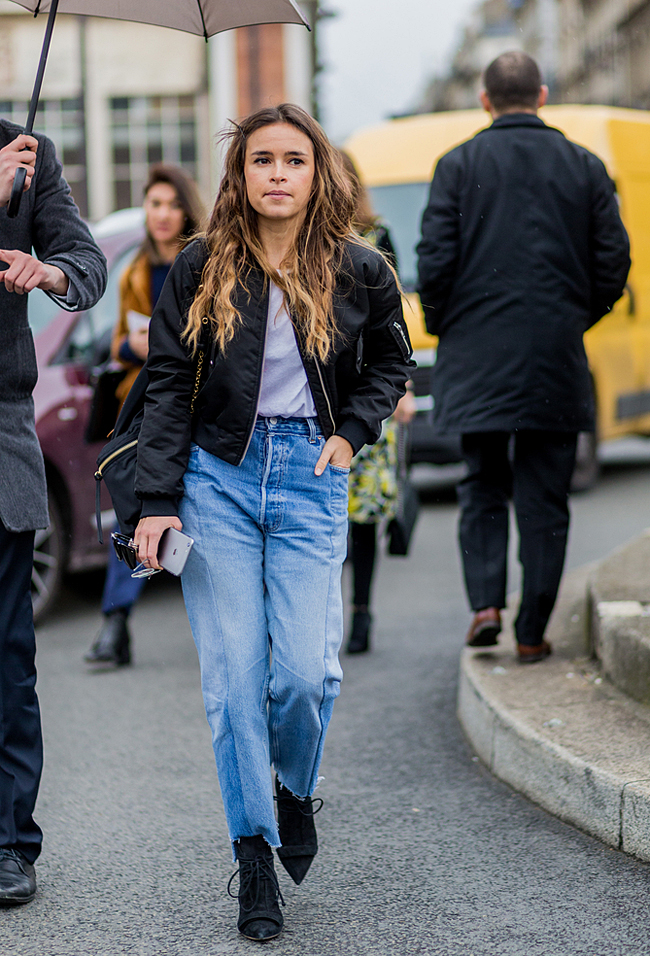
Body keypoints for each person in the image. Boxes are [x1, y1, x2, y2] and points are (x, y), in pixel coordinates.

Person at [131, 104, 413, 940]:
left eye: (294, 159)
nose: (278, 174)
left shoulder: (361, 268)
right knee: (232, 680)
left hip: (310, 477)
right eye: (263, 160)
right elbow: (166, 381)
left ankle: (291, 786)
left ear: (318, 173)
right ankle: (254, 854)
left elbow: (391, 362)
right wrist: (156, 501)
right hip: (216, 476)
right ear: (240, 173)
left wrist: (349, 433)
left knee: (305, 675)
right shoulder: (202, 263)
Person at [416, 51, 630, 663]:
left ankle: (486, 606)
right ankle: (532, 631)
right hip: (554, 358)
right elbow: (614, 262)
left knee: (482, 483)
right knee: (545, 498)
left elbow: (434, 262)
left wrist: (446, 326)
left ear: (485, 100)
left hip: (476, 356)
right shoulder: (585, 166)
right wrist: (573, 318)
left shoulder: (456, 165)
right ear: (541, 95)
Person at [0, 120, 107, 904]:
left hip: (0, 434)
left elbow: (88, 264)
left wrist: (51, 272)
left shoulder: (26, 153)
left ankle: (9, 841)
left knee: (7, 658)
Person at [84, 164, 204, 667]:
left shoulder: (204, 262)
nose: (162, 214)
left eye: (173, 204)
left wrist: (163, 343)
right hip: (143, 410)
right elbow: (117, 343)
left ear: (187, 210)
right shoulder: (135, 270)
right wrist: (135, 346)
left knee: (200, 514)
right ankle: (116, 624)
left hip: (195, 407)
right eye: (154, 204)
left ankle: (223, 628)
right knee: (136, 514)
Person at [339, 150, 417, 654]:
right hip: (324, 400)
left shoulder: (376, 237)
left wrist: (401, 390)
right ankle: (327, 612)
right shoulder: (302, 239)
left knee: (364, 514)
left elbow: (393, 323)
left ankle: (362, 611)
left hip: (367, 396)